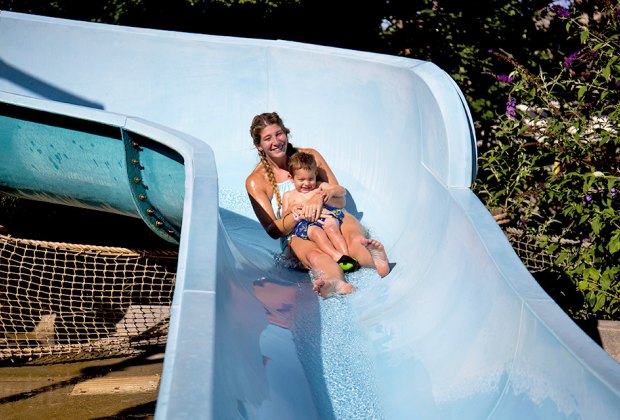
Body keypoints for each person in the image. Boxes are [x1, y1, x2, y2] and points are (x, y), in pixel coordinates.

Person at [245, 112, 390, 298]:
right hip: (298, 230)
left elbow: (340, 198)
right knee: (316, 256)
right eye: (267, 138)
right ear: (259, 146)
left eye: (279, 134)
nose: (276, 141)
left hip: (331, 214)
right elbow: (273, 230)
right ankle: (334, 281)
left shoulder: (309, 157)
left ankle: (376, 260)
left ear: (286, 133)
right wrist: (298, 215)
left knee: (354, 238)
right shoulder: (256, 181)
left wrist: (319, 198)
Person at [282, 151, 360, 273]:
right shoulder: (288, 196)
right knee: (317, 233)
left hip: (325, 216)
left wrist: (331, 192)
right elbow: (284, 218)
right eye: (301, 179)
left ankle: (347, 257)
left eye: (310, 178)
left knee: (332, 229)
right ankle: (336, 256)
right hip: (306, 224)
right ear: (291, 178)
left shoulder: (320, 186)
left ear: (316, 174)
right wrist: (291, 209)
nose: (306, 183)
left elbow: (342, 191)